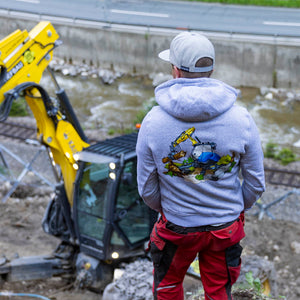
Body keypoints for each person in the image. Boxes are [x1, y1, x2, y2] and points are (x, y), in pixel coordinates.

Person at [136, 31, 265, 300]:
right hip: (225, 228)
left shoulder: (153, 121)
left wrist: (173, 208)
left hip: (177, 229)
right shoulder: (241, 118)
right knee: (219, 291)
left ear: (174, 69)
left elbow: (147, 188)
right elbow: (255, 183)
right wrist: (231, 208)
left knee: (168, 287)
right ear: (212, 69)